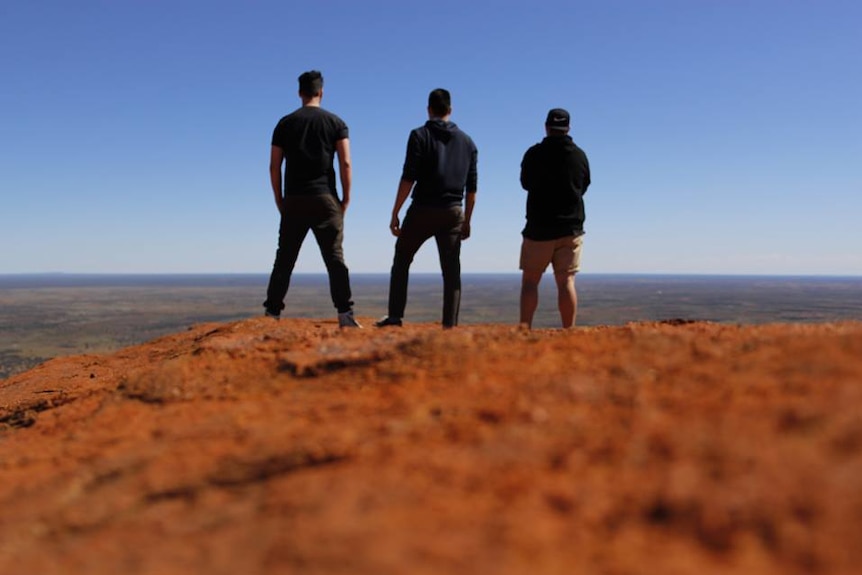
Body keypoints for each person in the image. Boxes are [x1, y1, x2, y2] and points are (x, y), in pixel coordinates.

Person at [262, 70, 361, 328]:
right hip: (325, 198)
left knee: (285, 258)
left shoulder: (284, 124)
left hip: (294, 198)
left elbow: (274, 167)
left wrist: (279, 199)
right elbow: (346, 162)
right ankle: (345, 314)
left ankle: (272, 314)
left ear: (300, 93)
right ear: (322, 92)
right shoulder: (336, 123)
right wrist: (346, 198)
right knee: (335, 258)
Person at [376, 88, 478, 329]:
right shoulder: (468, 142)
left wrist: (395, 212)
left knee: (402, 259)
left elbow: (408, 178)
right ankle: (450, 325)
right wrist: (467, 220)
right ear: (450, 111)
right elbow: (472, 189)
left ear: (429, 109)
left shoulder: (419, 135)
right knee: (451, 270)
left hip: (422, 209)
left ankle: (395, 317)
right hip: (453, 211)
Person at [518, 108, 591, 329]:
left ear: (547, 127)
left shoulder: (534, 154)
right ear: (568, 127)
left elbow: (525, 183)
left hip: (539, 229)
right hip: (571, 228)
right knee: (566, 281)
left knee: (531, 281)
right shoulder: (579, 155)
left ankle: (524, 331)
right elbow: (583, 186)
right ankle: (568, 332)